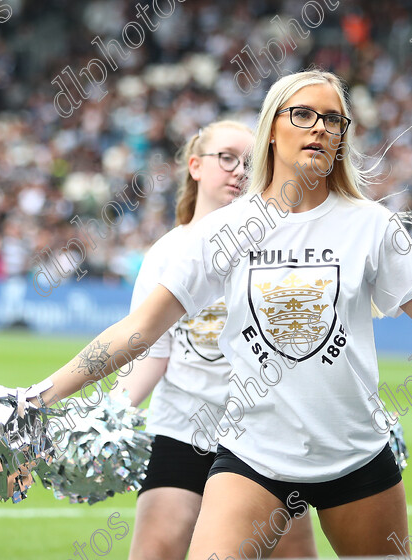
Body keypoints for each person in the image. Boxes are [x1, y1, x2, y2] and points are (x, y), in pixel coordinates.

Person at [24, 70, 412, 558]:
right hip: (255, 457)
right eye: (303, 114)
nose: (319, 128)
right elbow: (138, 331)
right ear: (271, 130)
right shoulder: (225, 230)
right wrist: (37, 397)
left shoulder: (371, 225)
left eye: (332, 119)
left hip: (356, 455)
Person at [111, 120, 317, 560]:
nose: (239, 170)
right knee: (155, 550)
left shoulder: (280, 250)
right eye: (226, 157)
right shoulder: (167, 253)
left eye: (250, 161)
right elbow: (152, 354)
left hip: (265, 434)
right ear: (195, 166)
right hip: (182, 429)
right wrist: (106, 414)